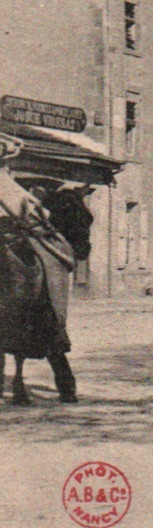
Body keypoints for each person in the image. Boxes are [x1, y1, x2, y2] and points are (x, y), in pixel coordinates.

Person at [0, 146, 79, 404]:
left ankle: (65, 386)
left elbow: (38, 213)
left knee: (47, 324)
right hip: (21, 241)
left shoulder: (5, 182)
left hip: (19, 242)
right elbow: (39, 213)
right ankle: (64, 387)